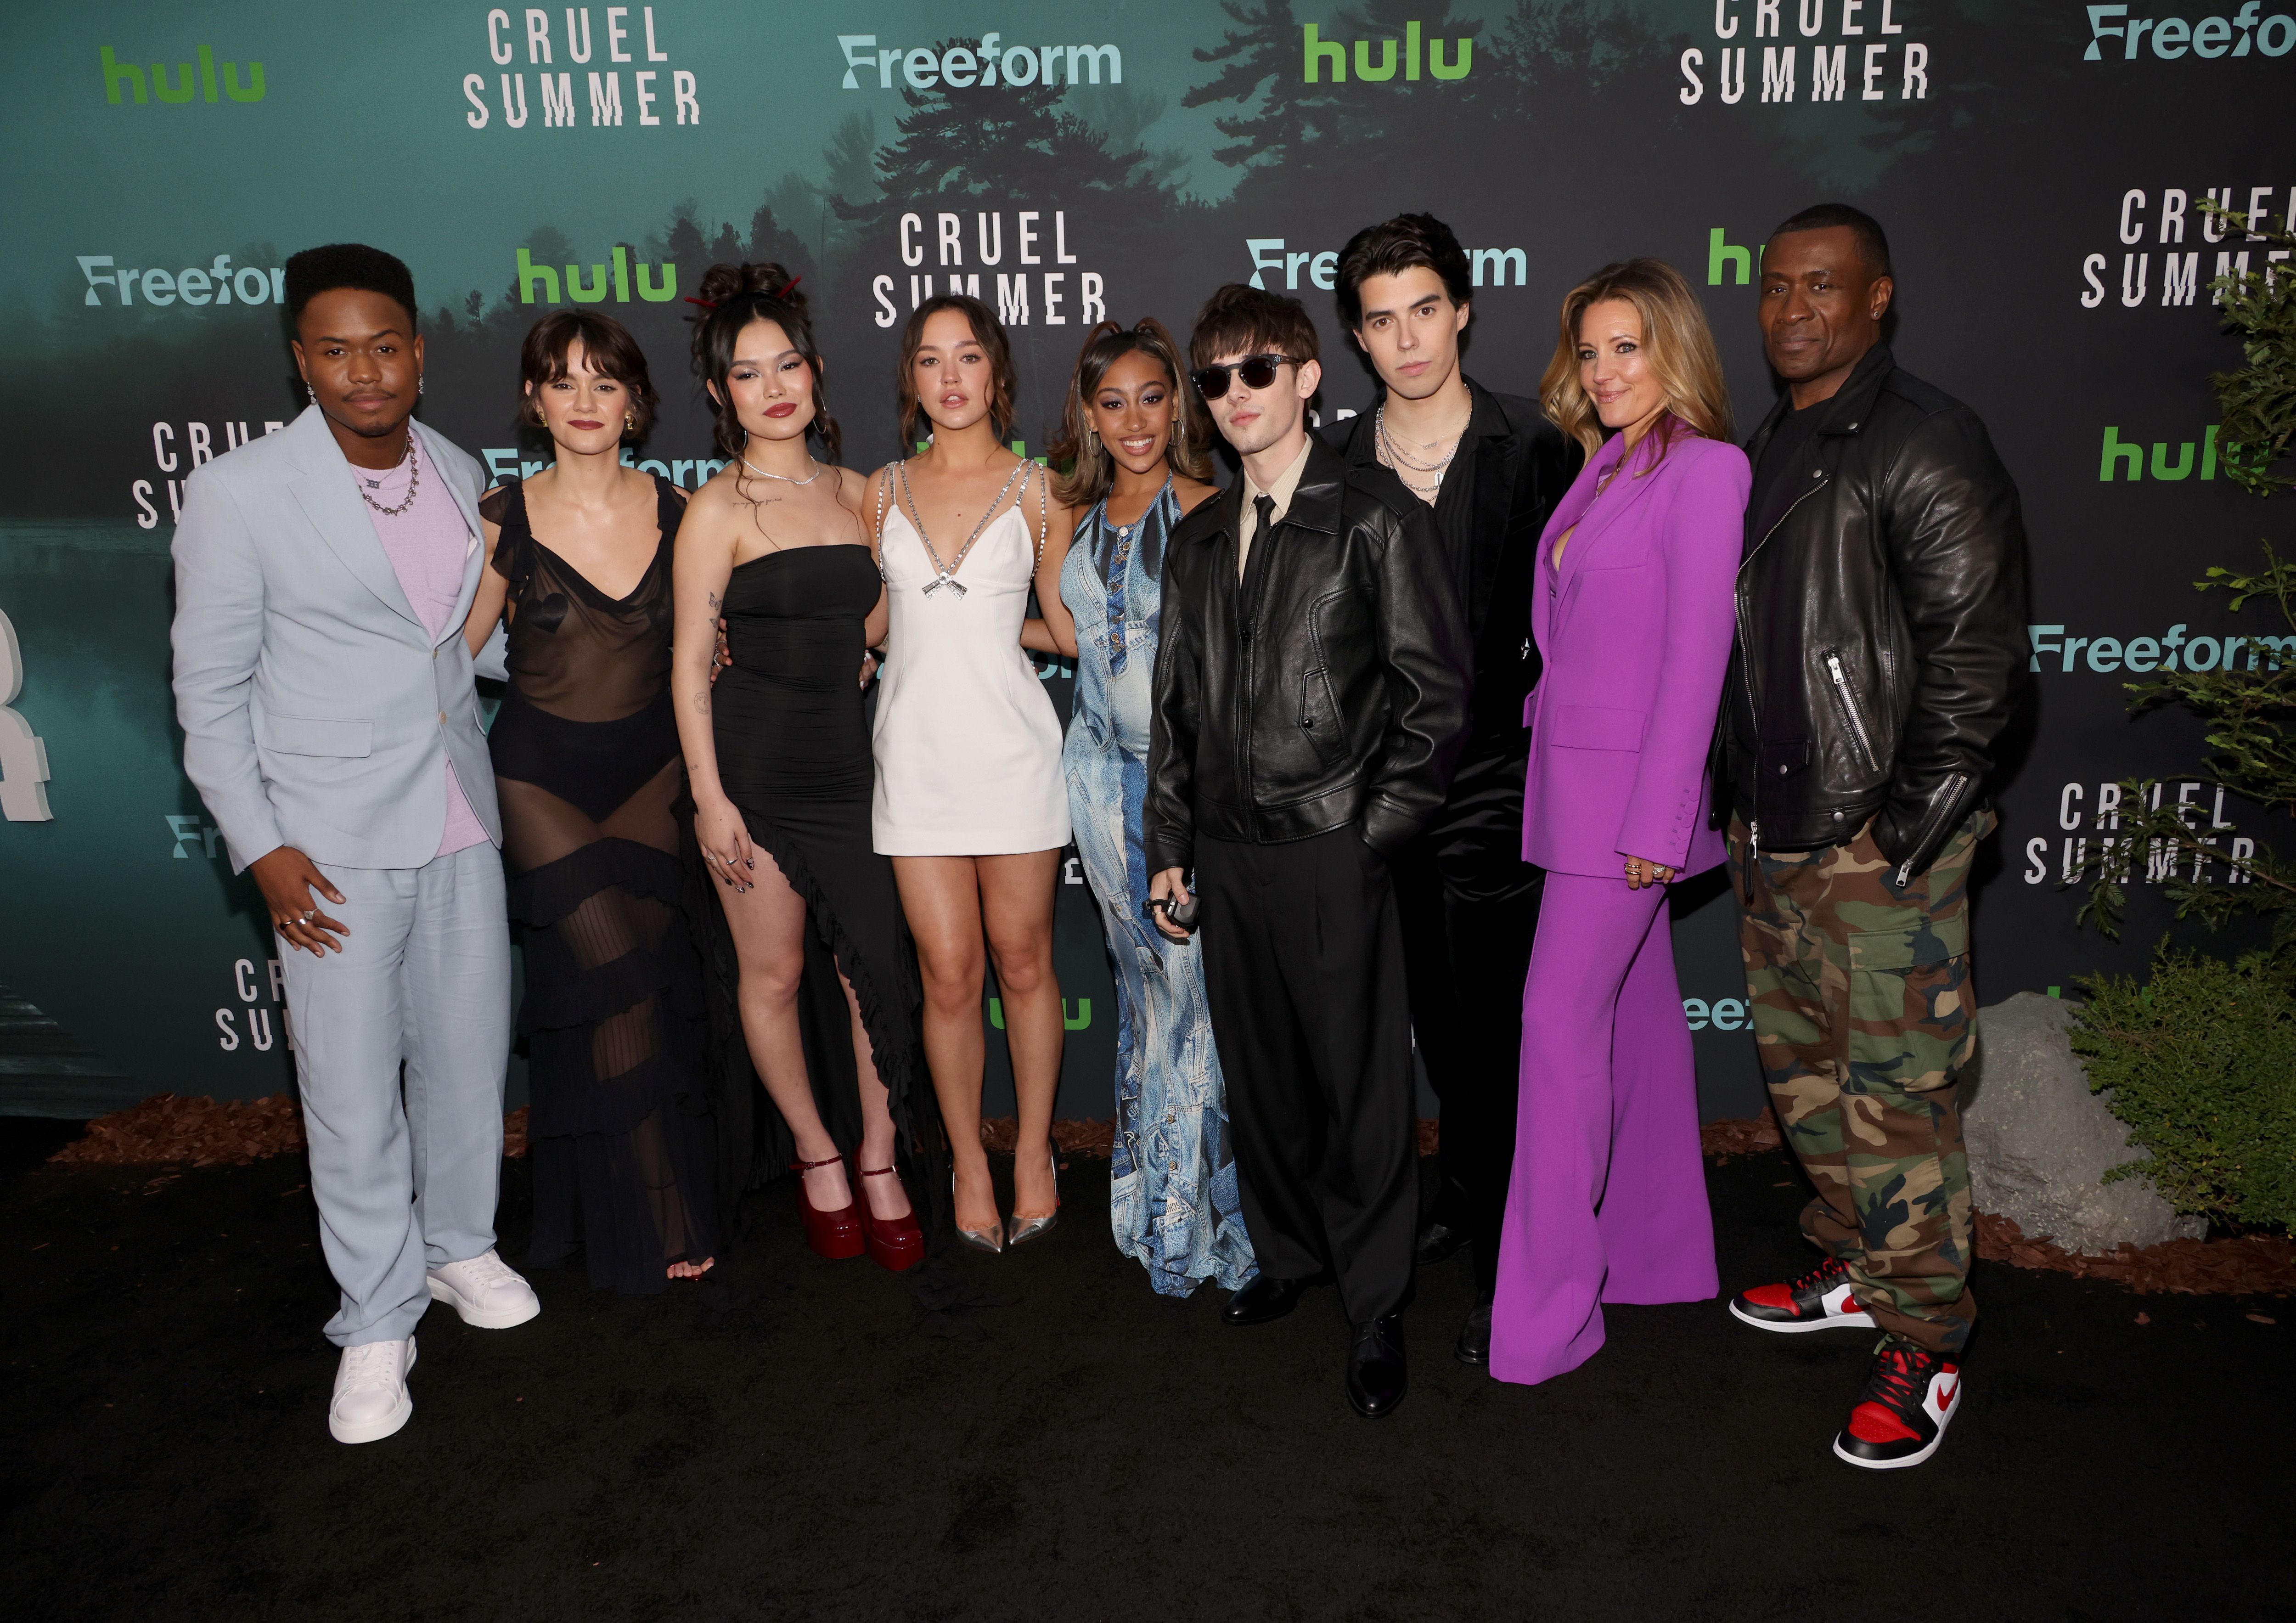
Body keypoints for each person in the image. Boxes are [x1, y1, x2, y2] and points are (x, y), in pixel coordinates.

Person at [172, 244, 538, 1445]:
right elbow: (209, 697)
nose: (364, 370)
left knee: (467, 1061)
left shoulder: (458, 469)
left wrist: (613, 634)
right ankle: (377, 1314)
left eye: (384, 345)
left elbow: (469, 645)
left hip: (458, 813)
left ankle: (459, 1245)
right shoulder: (238, 493)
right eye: (336, 350)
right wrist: (262, 845)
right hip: (326, 843)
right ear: (301, 361)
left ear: (418, 352)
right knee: (348, 1090)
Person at [1720, 204, 2027, 1470]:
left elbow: (1978, 660)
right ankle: (1856, 1261)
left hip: (1872, 841)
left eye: (1822, 286)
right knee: (1808, 1081)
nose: (1792, 309)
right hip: (1775, 828)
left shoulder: (1926, 437)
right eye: (1776, 286)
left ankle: (1926, 1339)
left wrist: (1904, 832)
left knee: (1896, 1098)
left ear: (1878, 297)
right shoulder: (1776, 436)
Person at [1146, 284, 1470, 1418]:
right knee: (1266, 1076)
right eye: (1216, 378)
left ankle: (1376, 1305)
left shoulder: (1375, 515)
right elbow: (1176, 706)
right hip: (1225, 851)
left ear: (1307, 376)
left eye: (1258, 370)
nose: (1236, 395)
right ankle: (1287, 1256)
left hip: (1336, 845)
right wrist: (1170, 842)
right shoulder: (1196, 537)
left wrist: (1371, 838)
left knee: (1362, 1090)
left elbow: (1437, 703)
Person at [1321, 214, 1580, 1364]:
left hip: (1498, 783)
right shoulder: (1334, 465)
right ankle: (1466, 1194)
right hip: (1376, 794)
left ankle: (1511, 1271)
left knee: (1497, 1033)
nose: (1408, 338)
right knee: (1429, 1019)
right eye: (1382, 320)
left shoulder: (1539, 449)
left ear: (1464, 310)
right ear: (1356, 337)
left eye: (1426, 309)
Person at [1488, 258, 1745, 1388]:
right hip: (1573, 795)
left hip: (1627, 813)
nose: (1602, 371)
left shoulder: (1707, 471)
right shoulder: (1603, 465)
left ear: (1672, 348)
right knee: (1632, 1029)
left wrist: (1657, 822)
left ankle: (1545, 1319)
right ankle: (1653, 1257)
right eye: (1589, 351)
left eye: (1625, 348)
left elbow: (1696, 661)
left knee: (1552, 1034)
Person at [672, 263, 929, 1272]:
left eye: (786, 365)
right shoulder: (715, 510)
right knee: (774, 973)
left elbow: (884, 618)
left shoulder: (864, 494)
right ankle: (817, 1154)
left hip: (852, 767)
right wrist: (709, 799)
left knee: (876, 971)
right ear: (719, 393)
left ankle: (879, 1158)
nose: (773, 387)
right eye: (747, 373)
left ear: (816, 371)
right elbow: (690, 665)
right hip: (752, 770)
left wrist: (854, 652)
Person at [457, 310, 716, 1294]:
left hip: (652, 775)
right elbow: (446, 660)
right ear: (534, 400)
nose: (584, 401)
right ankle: (659, 1209)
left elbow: (713, 649)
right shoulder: (501, 517)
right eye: (562, 381)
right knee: (617, 980)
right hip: (539, 780)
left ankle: (589, 1196)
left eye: (603, 382)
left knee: (635, 987)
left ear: (635, 402)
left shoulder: (682, 512)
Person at [1047, 317, 1252, 1297]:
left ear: (1180, 406)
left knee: (1192, 999)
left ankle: (1206, 1222)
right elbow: (1076, 638)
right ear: (1089, 415)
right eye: (1113, 401)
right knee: (1144, 994)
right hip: (1095, 785)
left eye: (1153, 397)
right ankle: (1152, 1204)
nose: (1134, 419)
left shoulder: (1214, 510)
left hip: (1180, 794)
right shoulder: (1075, 517)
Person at [865, 294, 1074, 1255]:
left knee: (1024, 963)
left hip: (1014, 756)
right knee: (948, 977)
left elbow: (1066, 630)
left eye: (968, 357)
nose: (950, 377)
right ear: (910, 378)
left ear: (997, 370)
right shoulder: (878, 492)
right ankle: (966, 1161)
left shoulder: (1042, 491)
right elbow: (872, 623)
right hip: (914, 761)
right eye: (929, 359)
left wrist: (990, 625)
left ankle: (1032, 1151)